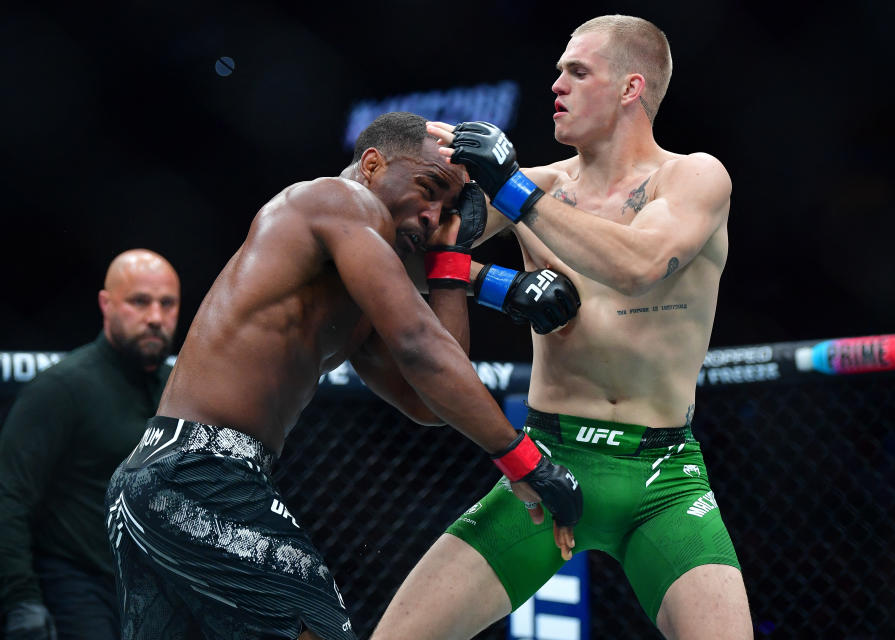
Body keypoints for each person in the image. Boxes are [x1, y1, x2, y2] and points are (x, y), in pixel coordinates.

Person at [103, 112, 582, 640]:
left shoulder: (352, 294)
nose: (430, 215)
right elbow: (421, 346)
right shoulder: (336, 199)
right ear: (373, 165)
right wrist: (526, 462)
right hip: (200, 472)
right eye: (427, 188)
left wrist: (452, 256)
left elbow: (428, 400)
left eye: (445, 209)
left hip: (161, 477)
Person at [371, 15, 753, 640]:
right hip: (548, 463)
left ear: (632, 88)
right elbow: (392, 256)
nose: (557, 85)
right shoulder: (541, 186)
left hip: (663, 480)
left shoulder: (694, 178)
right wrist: (493, 284)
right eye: (558, 72)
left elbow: (640, 265)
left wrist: (515, 194)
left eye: (577, 72)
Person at [0, 249, 181, 640]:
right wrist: (20, 599)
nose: (155, 317)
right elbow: (7, 495)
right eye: (139, 301)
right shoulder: (61, 388)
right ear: (106, 304)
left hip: (159, 589)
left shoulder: (181, 393)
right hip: (77, 584)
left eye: (167, 304)